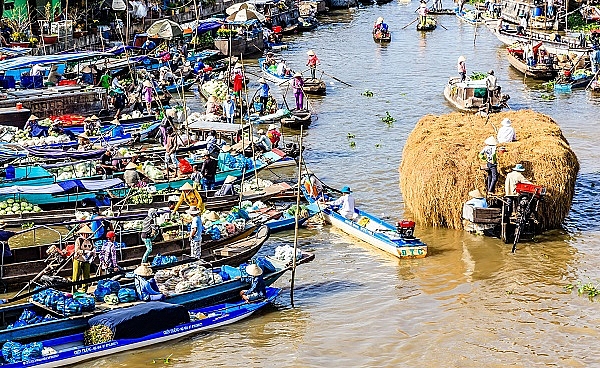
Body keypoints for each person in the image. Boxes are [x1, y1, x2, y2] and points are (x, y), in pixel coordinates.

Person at [72, 225, 96, 293]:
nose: (86, 235)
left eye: (87, 234)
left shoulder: (90, 240)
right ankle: (74, 290)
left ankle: (84, 290)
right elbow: (77, 250)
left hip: (87, 260)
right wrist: (85, 252)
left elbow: (93, 248)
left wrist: (93, 251)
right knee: (76, 276)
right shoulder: (79, 240)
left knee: (86, 276)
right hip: (78, 259)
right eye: (84, 234)